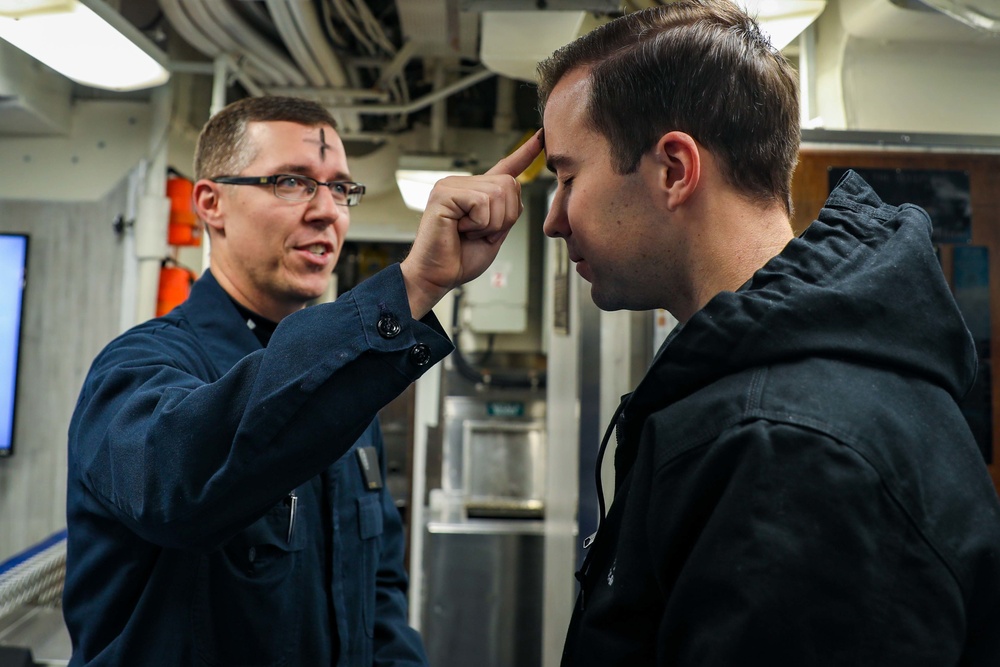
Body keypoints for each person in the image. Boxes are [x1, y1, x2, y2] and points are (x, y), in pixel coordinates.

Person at [537, 1, 1000, 665]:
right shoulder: (767, 395)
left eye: (567, 175)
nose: (554, 218)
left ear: (674, 169)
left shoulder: (789, 449)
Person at [63, 95, 542, 666]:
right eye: (292, 182)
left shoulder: (348, 386)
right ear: (212, 204)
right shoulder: (136, 369)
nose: (327, 211)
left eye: (340, 188)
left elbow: (378, 598)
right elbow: (179, 484)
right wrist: (414, 285)